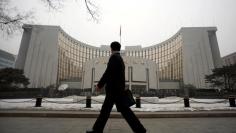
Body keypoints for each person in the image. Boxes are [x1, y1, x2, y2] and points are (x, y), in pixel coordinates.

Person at [86, 41, 146, 133]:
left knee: (106, 111)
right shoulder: (120, 58)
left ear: (111, 48)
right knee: (122, 111)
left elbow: (108, 73)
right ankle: (140, 129)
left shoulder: (114, 58)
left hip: (113, 91)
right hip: (117, 90)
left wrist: (99, 85)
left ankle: (97, 130)